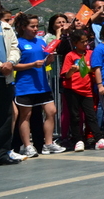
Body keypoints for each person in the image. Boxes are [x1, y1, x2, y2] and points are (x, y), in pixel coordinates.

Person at [13, 13, 66, 157]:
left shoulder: (41, 42)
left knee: (51, 111)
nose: (36, 29)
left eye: (37, 26)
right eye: (32, 26)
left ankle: (48, 144)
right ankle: (27, 146)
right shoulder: (18, 43)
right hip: (25, 86)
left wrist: (50, 59)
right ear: (24, 27)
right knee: (26, 116)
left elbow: (45, 62)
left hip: (42, 85)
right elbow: (13, 65)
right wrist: (31, 64)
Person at [62, 28, 104, 152]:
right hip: (72, 89)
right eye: (82, 42)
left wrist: (88, 68)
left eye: (86, 41)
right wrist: (72, 69)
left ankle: (98, 139)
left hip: (87, 90)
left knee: (91, 115)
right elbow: (66, 75)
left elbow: (96, 68)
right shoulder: (70, 55)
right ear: (75, 43)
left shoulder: (91, 53)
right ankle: (78, 140)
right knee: (75, 116)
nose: (86, 44)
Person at [0, 1, 22, 165]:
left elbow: (15, 47)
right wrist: (0, 66)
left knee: (5, 116)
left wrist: (11, 62)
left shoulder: (5, 27)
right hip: (0, 71)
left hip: (4, 79)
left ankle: (0, 153)